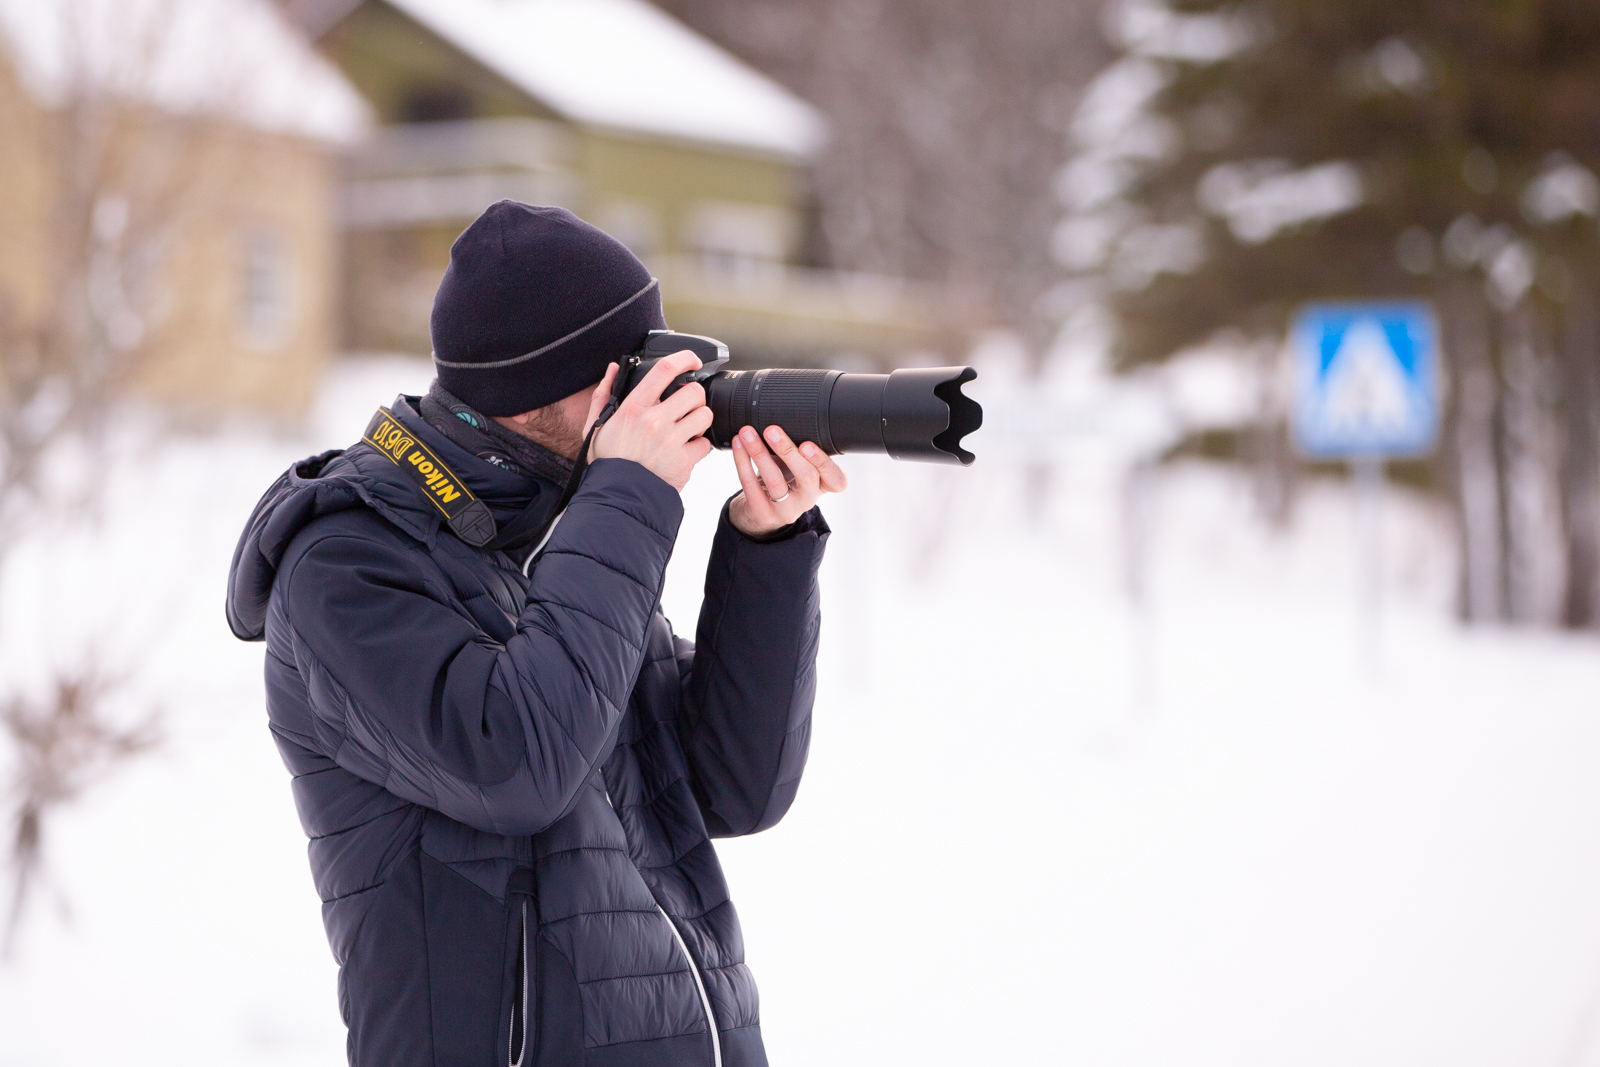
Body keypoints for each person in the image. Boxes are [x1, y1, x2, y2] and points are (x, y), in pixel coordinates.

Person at [225, 201, 846, 1067]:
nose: (653, 394)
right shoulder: (346, 562)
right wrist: (627, 498)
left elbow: (733, 787)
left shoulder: (561, 536)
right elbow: (515, 762)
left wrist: (766, 545)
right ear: (545, 385)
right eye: (634, 369)